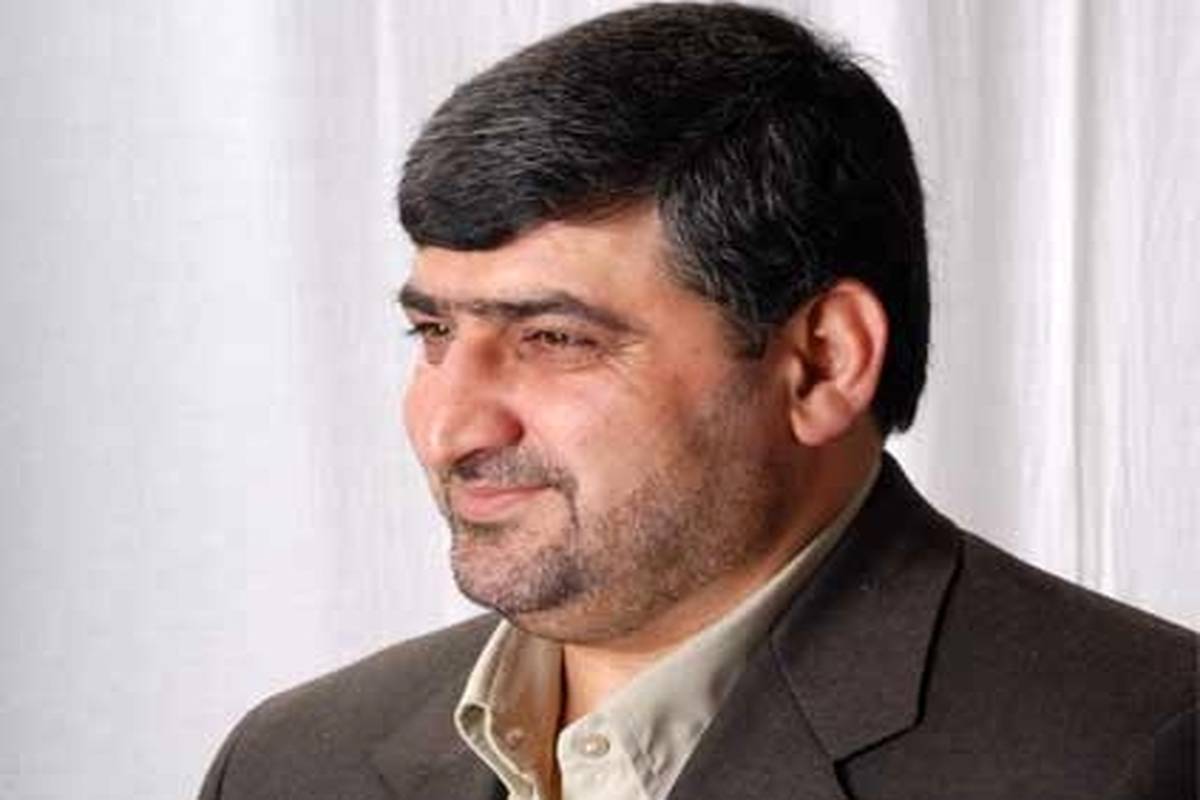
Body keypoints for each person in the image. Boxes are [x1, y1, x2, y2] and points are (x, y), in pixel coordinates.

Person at [199, 4, 1196, 799]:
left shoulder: (1133, 755)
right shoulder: (290, 764)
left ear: (822, 363)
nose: (449, 425)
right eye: (434, 332)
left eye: (554, 339)